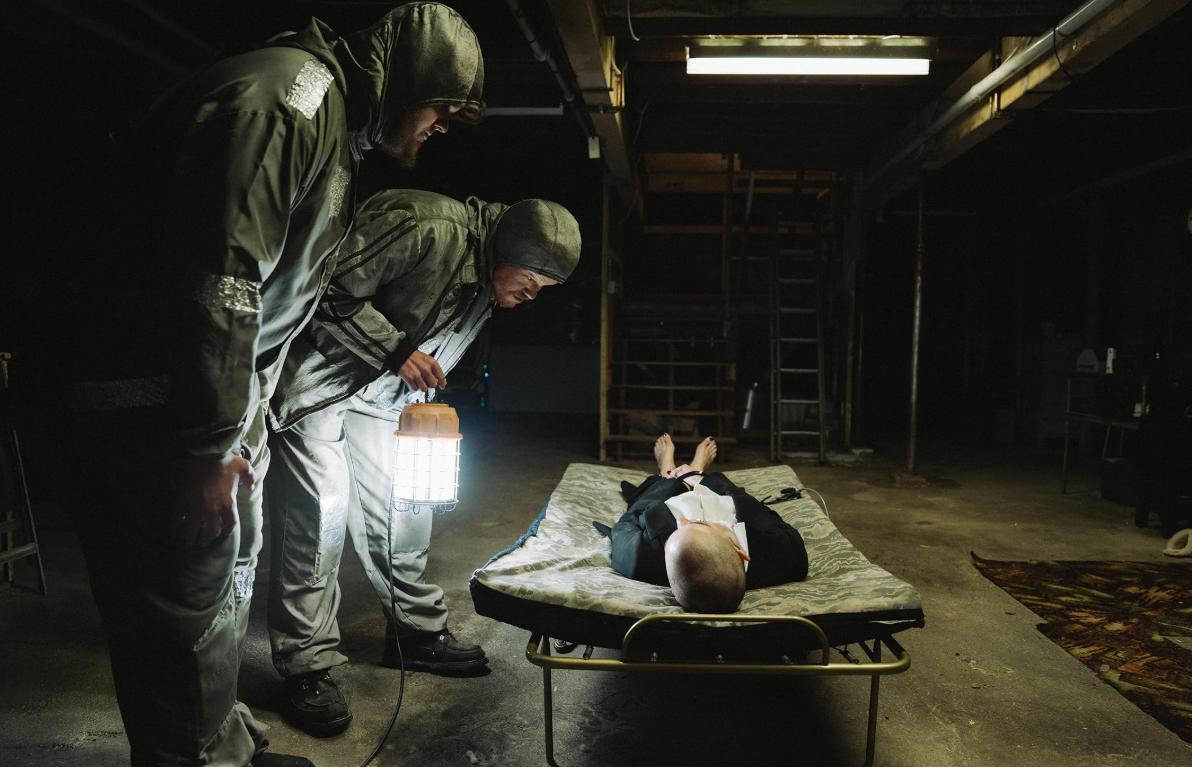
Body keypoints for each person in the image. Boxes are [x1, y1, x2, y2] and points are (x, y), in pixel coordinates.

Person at [72, 5, 484, 766]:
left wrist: (243, 419)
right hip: (162, 408)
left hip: (219, 404)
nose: (443, 128)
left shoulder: (327, 123)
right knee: (183, 593)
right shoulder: (287, 103)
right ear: (407, 82)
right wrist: (206, 444)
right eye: (443, 109)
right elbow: (222, 282)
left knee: (225, 577)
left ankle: (220, 743)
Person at [265, 188, 581, 736]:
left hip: (384, 398)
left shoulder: (490, 273)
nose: (533, 295)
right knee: (319, 520)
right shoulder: (425, 226)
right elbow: (320, 286)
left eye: (545, 288)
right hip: (318, 385)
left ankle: (413, 634)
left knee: (403, 510)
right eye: (531, 280)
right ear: (508, 250)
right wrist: (396, 350)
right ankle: (306, 666)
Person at [597, 435, 810, 613]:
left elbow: (630, 519)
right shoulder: (786, 556)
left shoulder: (639, 559)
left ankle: (667, 470)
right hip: (719, 497)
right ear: (741, 552)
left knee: (651, 502)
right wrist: (701, 480)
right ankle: (696, 471)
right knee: (732, 496)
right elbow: (765, 515)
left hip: (667, 499)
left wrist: (669, 483)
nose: (682, 520)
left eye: (681, 529)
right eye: (702, 524)